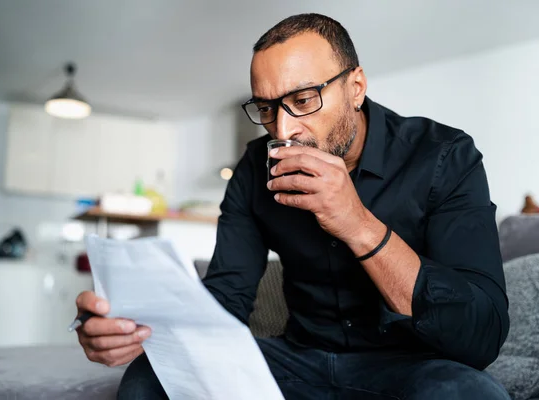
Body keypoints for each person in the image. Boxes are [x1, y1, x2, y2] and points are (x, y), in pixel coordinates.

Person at [75, 13, 511, 400]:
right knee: (151, 378)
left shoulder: (444, 156)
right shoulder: (253, 169)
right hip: (297, 361)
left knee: (471, 394)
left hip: (411, 366)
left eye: (303, 101)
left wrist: (356, 222)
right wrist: (134, 329)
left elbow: (481, 335)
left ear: (356, 87)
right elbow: (227, 298)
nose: (283, 130)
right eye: (266, 109)